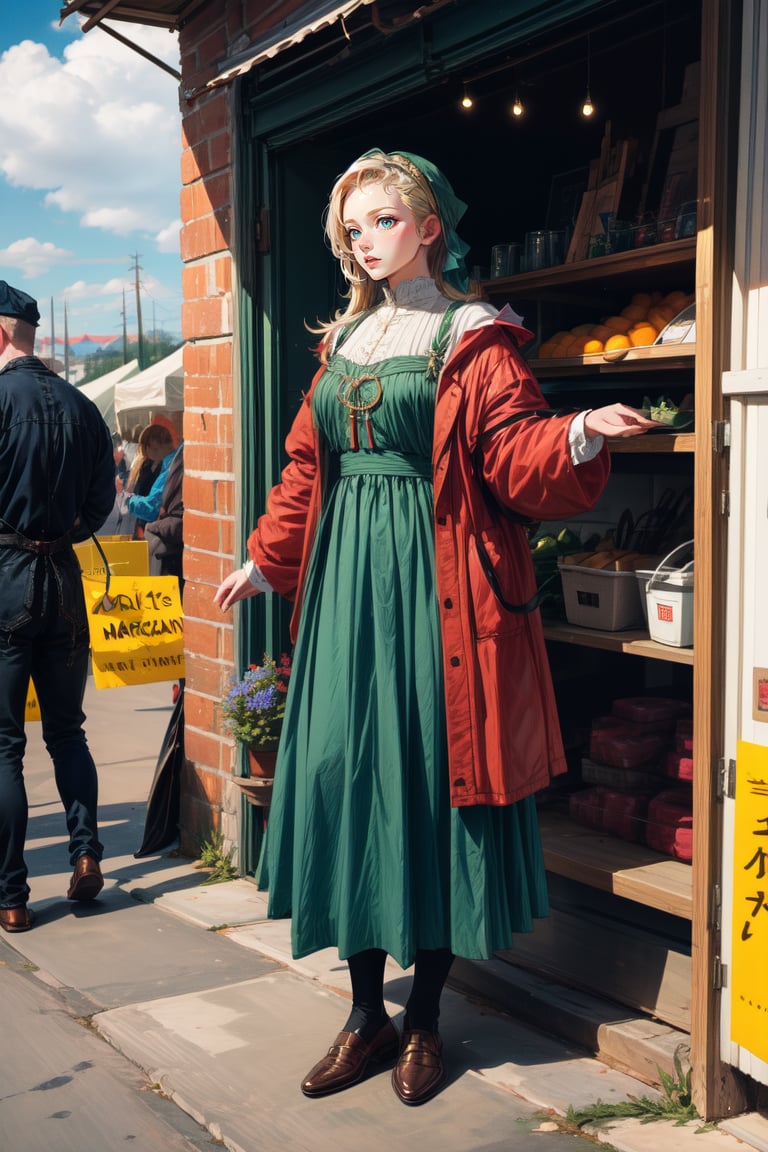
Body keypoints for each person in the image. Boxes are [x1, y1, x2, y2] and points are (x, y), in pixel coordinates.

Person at [214, 150, 658, 1104]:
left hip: (438, 584)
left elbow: (509, 448)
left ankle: (425, 1022)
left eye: (383, 221)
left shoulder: (475, 335)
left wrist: (576, 436)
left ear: (427, 227)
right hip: (344, 594)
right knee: (346, 773)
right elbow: (306, 464)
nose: (366, 241)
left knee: (426, 785)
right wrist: (268, 556)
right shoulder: (344, 345)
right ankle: (365, 1014)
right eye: (354, 227)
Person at [0, 280, 115, 933]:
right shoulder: (83, 406)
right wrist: (60, 533)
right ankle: (86, 852)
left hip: (7, 578)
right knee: (67, 731)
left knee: (4, 744)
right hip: (64, 581)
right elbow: (102, 508)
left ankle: (12, 895)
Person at [144, 442, 184, 586]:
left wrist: (129, 500)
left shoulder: (178, 456)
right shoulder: (172, 458)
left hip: (171, 543)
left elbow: (153, 504)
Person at [125, 423, 175, 536]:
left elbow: (152, 506)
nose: (147, 448)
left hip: (155, 527)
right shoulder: (143, 465)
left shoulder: (168, 467)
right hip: (145, 525)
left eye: (149, 444)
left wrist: (129, 500)